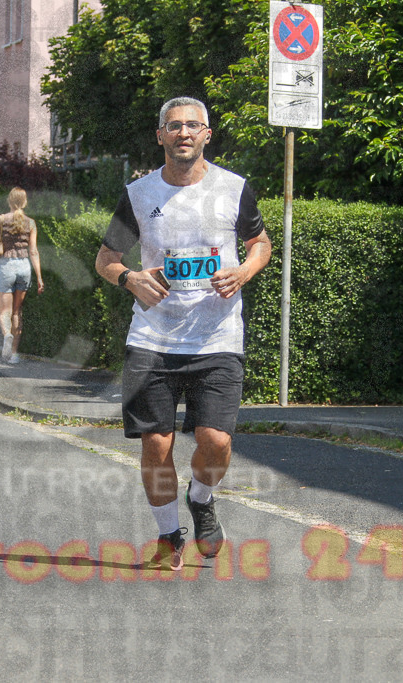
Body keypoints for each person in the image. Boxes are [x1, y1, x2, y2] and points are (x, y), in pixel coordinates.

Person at [94, 97, 272, 570]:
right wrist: (128, 277)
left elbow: (260, 244)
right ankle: (168, 535)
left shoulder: (234, 189)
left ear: (207, 134)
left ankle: (202, 496)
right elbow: (106, 257)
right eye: (174, 126)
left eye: (193, 125)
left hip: (217, 337)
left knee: (215, 440)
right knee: (157, 444)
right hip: (153, 338)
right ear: (160, 136)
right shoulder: (138, 194)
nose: (184, 133)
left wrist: (245, 271)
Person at [0, 187, 43, 363]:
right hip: (24, 266)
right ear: (24, 202)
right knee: (17, 312)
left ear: (9, 201)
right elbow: (33, 251)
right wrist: (39, 278)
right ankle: (15, 354)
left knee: (5, 311)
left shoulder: (0, 220)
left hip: (6, 266)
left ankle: (7, 336)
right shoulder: (31, 223)